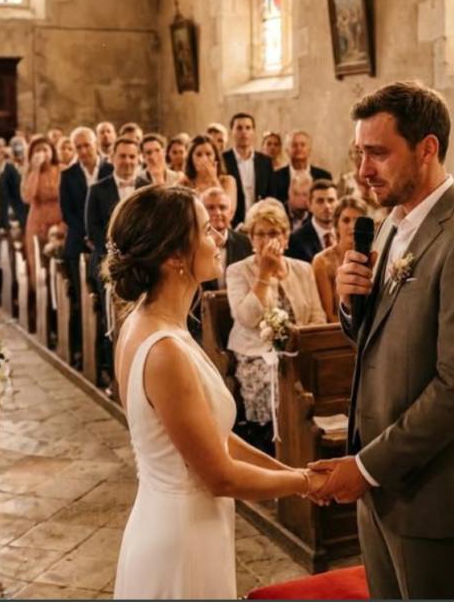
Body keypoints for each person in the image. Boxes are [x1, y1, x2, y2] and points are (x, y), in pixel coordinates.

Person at [318, 81, 454, 599]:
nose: (363, 170)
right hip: (383, 484)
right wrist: (349, 303)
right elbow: (377, 339)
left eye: (378, 153)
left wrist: (365, 468)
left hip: (432, 491)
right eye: (360, 153)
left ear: (427, 148)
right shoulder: (391, 224)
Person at [108, 185, 328, 600]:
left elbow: (215, 437)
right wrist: (307, 483)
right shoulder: (165, 351)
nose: (221, 238)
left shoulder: (146, 322)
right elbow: (220, 475)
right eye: (207, 229)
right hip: (183, 539)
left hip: (173, 521)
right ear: (175, 256)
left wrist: (293, 474)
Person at [226, 200, 326, 454]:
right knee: (276, 386)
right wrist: (263, 275)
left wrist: (301, 344)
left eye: (273, 233)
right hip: (255, 354)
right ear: (251, 239)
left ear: (286, 237)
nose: (267, 240)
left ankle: (308, 449)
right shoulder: (237, 271)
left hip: (299, 350)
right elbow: (247, 318)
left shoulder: (303, 269)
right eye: (260, 234)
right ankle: (270, 448)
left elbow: (317, 316)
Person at [86, 138, 142, 384]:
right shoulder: (98, 190)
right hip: (109, 264)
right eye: (123, 156)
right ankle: (115, 376)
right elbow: (93, 229)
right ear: (113, 158)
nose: (128, 161)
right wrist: (117, 256)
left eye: (132, 156)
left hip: (141, 263)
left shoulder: (146, 187)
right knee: (111, 321)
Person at [59, 127, 113, 366]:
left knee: (106, 302)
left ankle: (107, 356)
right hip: (78, 243)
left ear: (96, 144)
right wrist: (87, 236)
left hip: (107, 242)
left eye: (86, 145)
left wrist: (100, 237)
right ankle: (84, 352)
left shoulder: (110, 169)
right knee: (82, 301)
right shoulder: (68, 175)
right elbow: (67, 212)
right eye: (78, 147)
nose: (83, 151)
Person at [312, 196, 368, 322]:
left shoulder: (376, 256)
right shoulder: (322, 261)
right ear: (336, 225)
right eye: (346, 220)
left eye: (357, 221)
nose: (352, 226)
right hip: (338, 329)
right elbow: (329, 315)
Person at [21, 136, 63, 286]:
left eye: (45, 149)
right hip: (37, 220)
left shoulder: (62, 169)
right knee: (38, 262)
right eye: (37, 150)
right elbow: (27, 196)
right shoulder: (30, 172)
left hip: (59, 218)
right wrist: (35, 169)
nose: (41, 153)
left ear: (52, 151)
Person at [223, 113, 276, 227]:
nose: (244, 132)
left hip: (259, 221)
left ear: (253, 132)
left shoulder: (265, 161)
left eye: (248, 128)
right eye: (239, 128)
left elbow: (270, 194)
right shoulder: (224, 160)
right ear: (231, 132)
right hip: (232, 222)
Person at [200, 187, 252, 291]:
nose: (217, 212)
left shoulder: (244, 242)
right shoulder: (194, 243)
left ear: (231, 213)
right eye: (210, 208)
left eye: (222, 207)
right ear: (201, 213)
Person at [287, 179, 338, 263]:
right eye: (320, 201)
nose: (327, 206)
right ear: (309, 205)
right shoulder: (296, 239)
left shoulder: (346, 233)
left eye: (331, 200)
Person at [181, 134, 238, 208]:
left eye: (208, 154)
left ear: (215, 157)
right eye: (199, 155)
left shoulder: (228, 181)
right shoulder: (184, 183)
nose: (204, 159)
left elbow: (229, 209)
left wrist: (213, 179)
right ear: (191, 158)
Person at [274, 130, 332, 201]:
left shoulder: (324, 176)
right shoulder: (275, 178)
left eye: (303, 145)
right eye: (294, 145)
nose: (299, 148)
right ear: (287, 151)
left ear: (310, 150)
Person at [0, 136, 29, 231]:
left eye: (21, 146)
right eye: (15, 147)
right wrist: (4, 219)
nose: (19, 150)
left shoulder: (32, 166)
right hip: (17, 213)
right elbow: (3, 195)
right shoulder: (8, 169)